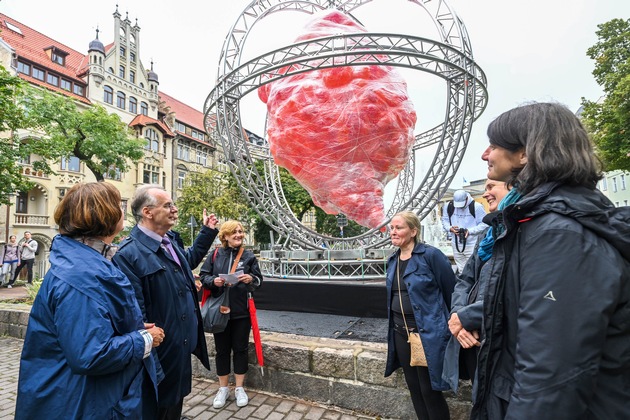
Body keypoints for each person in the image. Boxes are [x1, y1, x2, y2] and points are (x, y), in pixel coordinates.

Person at [472, 102, 630, 419]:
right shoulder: (537, 223)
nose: (485, 154)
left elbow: (551, 375)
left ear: (526, 154)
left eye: (494, 144)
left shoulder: (558, 235)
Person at [15, 182, 164, 419]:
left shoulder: (86, 263)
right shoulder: (82, 276)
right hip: (82, 404)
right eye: (118, 205)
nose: (123, 210)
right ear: (105, 215)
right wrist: (144, 339)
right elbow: (90, 355)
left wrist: (126, 327)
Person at [113, 184, 219, 420]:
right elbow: (135, 317)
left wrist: (207, 232)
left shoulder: (168, 241)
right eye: (168, 205)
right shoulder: (128, 255)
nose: (175, 209)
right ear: (148, 212)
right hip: (159, 355)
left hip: (179, 347)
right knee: (158, 409)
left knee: (174, 406)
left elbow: (187, 261)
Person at [384, 211, 456, 420]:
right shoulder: (393, 260)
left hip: (426, 334)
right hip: (400, 333)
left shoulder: (431, 256)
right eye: (392, 228)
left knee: (429, 389)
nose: (393, 232)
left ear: (414, 231)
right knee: (414, 387)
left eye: (399, 228)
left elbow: (450, 291)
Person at [442, 179, 510, 393]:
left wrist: (464, 318)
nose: (486, 193)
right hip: (472, 340)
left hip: (499, 344)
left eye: (491, 187)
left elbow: (513, 294)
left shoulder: (525, 233)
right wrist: (458, 317)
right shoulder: (489, 236)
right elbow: (465, 280)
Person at [199, 220, 263, 409]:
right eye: (234, 232)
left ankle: (240, 388)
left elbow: (259, 281)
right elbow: (203, 277)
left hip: (241, 312)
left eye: (241, 231)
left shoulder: (249, 256)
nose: (238, 235)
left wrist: (251, 278)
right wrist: (214, 281)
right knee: (222, 350)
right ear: (225, 236)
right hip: (220, 311)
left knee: (241, 349)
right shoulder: (215, 254)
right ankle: (223, 388)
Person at [441, 190, 487, 274]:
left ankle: (473, 285)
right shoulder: (448, 206)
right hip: (456, 243)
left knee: (474, 268)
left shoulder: (476, 207)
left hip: (472, 243)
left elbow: (484, 224)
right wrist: (450, 228)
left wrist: (469, 231)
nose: (459, 207)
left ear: (466, 199)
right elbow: (445, 220)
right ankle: (464, 285)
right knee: (461, 269)